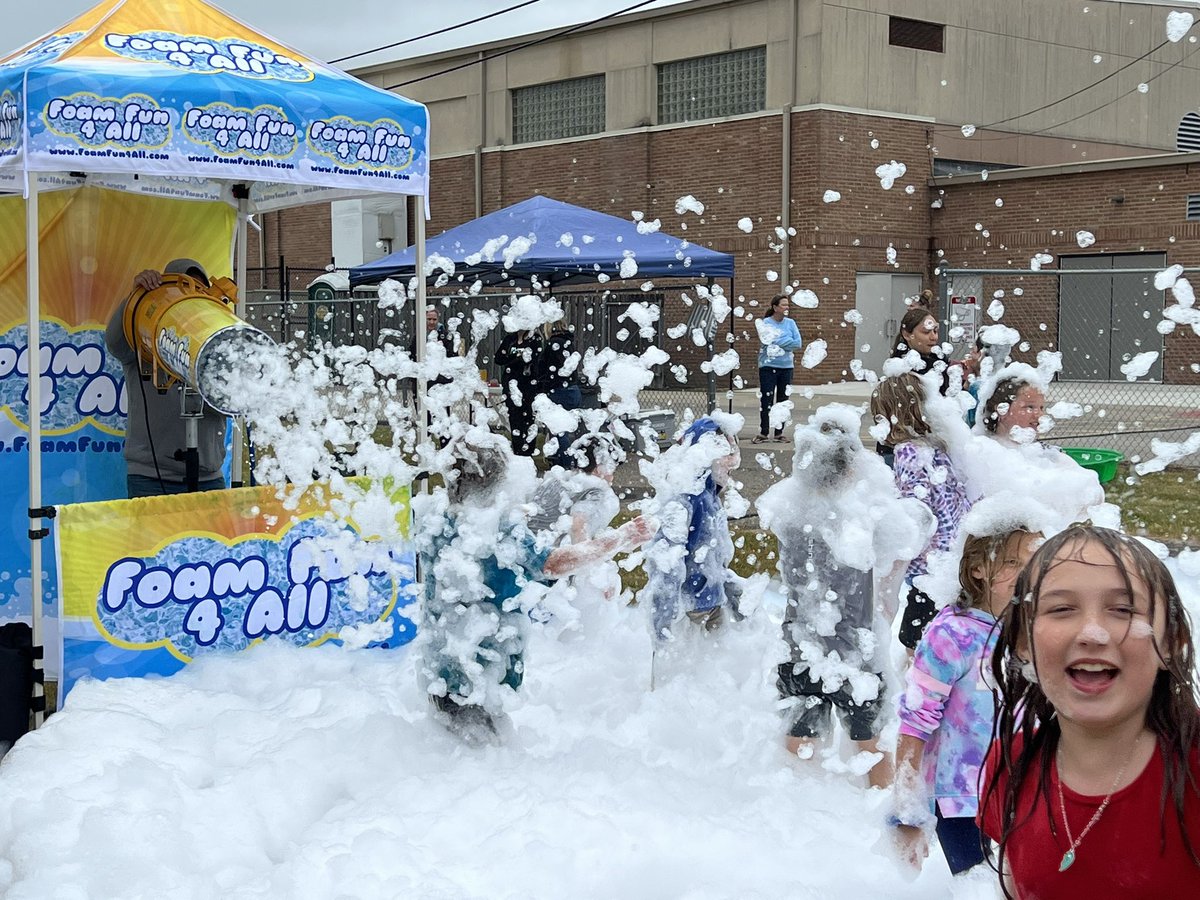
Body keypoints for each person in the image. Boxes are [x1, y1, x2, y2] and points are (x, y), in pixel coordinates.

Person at [979, 525, 1200, 898]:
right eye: (1061, 608)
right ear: (1022, 642)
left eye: (1123, 609)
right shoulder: (1011, 765)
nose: (1093, 633)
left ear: (1170, 642)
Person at [418, 432, 652, 744]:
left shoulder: (434, 517)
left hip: (441, 662)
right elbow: (553, 563)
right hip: (480, 665)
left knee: (451, 746)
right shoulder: (498, 526)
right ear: (496, 481)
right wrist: (617, 540)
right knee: (483, 754)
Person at [758, 405, 933, 788]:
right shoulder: (859, 518)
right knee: (870, 743)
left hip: (799, 648)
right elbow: (906, 540)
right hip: (855, 653)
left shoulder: (790, 512)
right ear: (852, 469)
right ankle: (878, 805)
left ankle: (795, 807)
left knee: (800, 740)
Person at [892, 516, 1040, 875]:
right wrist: (907, 813)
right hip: (960, 799)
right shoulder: (951, 634)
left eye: (1032, 563)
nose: (1025, 575)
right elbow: (914, 723)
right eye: (1011, 562)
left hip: (1016, 787)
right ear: (977, 569)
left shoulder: (1025, 628)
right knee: (978, 885)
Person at [104, 259, 228, 497]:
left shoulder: (216, 346)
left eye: (200, 294)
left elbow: (232, 401)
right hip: (149, 477)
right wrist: (136, 297)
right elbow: (114, 342)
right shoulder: (141, 339)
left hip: (208, 477)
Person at [869, 373, 972, 650]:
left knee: (915, 638)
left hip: (930, 565)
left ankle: (921, 685)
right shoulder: (938, 446)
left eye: (878, 417)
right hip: (953, 554)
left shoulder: (908, 452)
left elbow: (916, 511)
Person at [642, 417, 743, 642]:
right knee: (683, 672)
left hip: (711, 604)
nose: (734, 460)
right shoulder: (685, 500)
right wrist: (663, 623)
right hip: (688, 610)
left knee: (718, 668)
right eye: (727, 452)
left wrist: (735, 595)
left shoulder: (710, 496)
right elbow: (665, 566)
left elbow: (715, 560)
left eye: (734, 450)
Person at [753, 294, 802, 444]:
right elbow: (767, 341)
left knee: (783, 401)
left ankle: (779, 433)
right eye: (784, 305)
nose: (787, 308)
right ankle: (764, 432)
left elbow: (798, 343)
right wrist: (786, 341)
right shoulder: (765, 323)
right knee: (766, 400)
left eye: (788, 305)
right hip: (768, 367)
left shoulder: (791, 323)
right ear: (775, 307)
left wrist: (779, 341)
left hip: (786, 367)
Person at [494, 327, 545, 457]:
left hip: (528, 385)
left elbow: (531, 359)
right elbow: (499, 358)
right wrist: (516, 357)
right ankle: (517, 449)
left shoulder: (535, 339)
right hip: (511, 385)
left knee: (527, 417)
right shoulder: (510, 339)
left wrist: (512, 359)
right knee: (514, 417)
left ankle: (527, 450)